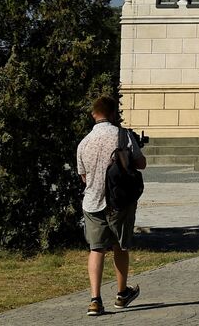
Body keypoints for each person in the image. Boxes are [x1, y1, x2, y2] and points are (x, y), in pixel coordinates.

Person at [76, 96, 146, 316]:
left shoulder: (84, 142)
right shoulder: (122, 135)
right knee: (120, 246)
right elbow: (141, 163)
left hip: (92, 202)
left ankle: (95, 300)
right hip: (118, 202)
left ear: (93, 114)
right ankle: (121, 293)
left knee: (96, 250)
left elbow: (84, 177)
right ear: (114, 113)